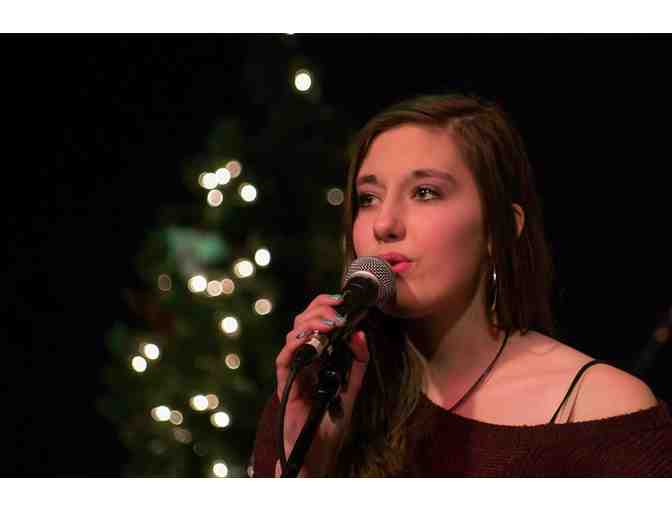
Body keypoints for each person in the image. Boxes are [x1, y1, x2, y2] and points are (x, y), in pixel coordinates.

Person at [251, 93, 672, 477]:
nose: (384, 223)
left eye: (425, 192)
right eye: (368, 198)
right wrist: (309, 460)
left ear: (498, 229)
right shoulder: (319, 385)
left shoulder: (602, 410)